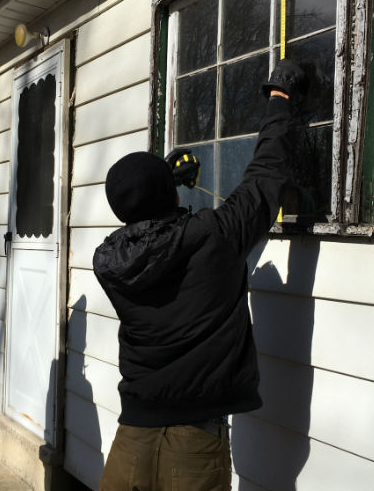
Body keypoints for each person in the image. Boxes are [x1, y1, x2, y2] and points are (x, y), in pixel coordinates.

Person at [93, 60, 307, 490]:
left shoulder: (109, 262)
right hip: (193, 443)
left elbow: (152, 233)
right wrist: (280, 99)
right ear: (167, 193)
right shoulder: (216, 236)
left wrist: (162, 185)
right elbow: (265, 175)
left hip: (131, 439)